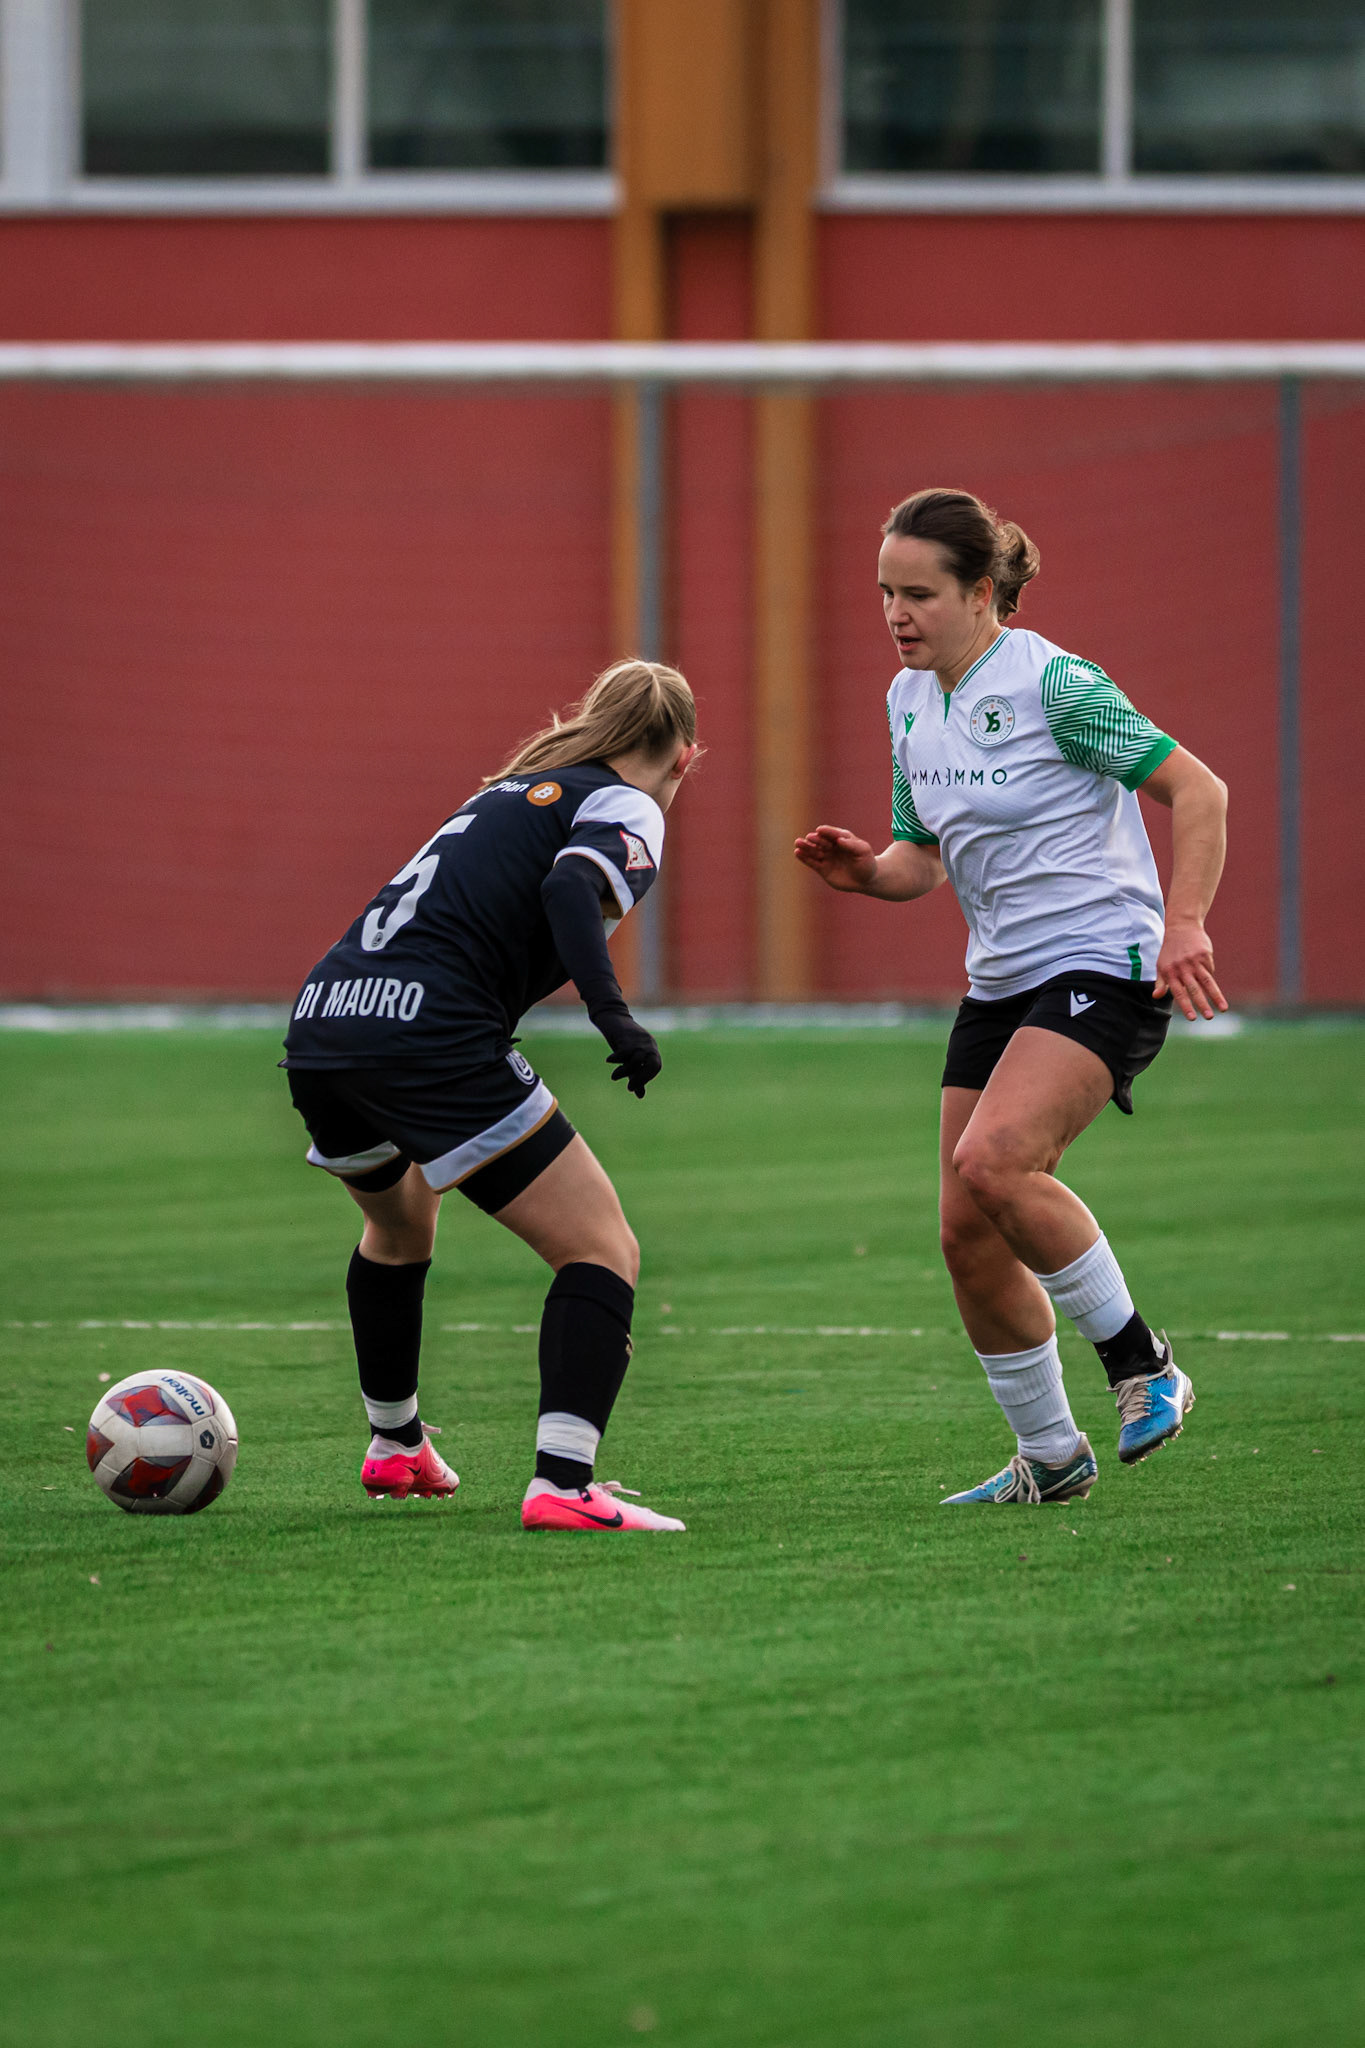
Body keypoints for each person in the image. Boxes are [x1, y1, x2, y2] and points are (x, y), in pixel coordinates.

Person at [796, 488, 1229, 1505]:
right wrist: (866, 871)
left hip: (1104, 962)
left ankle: (1144, 1364)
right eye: (886, 593)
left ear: (984, 592)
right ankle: (1050, 1455)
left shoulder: (1057, 686)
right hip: (1002, 982)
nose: (898, 614)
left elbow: (1200, 790)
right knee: (965, 1230)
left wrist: (1187, 921)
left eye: (921, 594)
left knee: (995, 1159)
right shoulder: (908, 701)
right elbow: (922, 860)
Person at [282, 659, 698, 1531]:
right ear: (684, 758)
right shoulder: (627, 803)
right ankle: (565, 1485)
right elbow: (565, 887)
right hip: (428, 1037)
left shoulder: (513, 790)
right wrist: (614, 1015)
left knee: (397, 1226)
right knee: (599, 1248)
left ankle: (396, 1447)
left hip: (325, 1020)